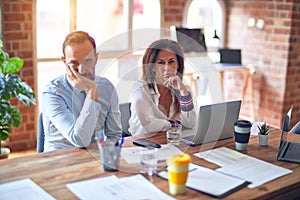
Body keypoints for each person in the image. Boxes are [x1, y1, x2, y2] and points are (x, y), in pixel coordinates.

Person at [42, 31, 122, 152]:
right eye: (74, 63)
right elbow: (79, 140)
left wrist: (109, 157)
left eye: (87, 61)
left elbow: (114, 135)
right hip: (59, 161)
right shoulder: (52, 93)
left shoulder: (107, 88)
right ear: (64, 62)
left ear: (96, 58)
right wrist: (92, 92)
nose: (82, 70)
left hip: (95, 159)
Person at [129, 39, 197, 135]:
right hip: (143, 145)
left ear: (178, 64)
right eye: (161, 63)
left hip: (171, 144)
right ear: (152, 66)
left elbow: (191, 124)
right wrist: (176, 124)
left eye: (171, 62)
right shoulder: (141, 89)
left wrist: (183, 92)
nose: (167, 68)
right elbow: (149, 125)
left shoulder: (184, 89)